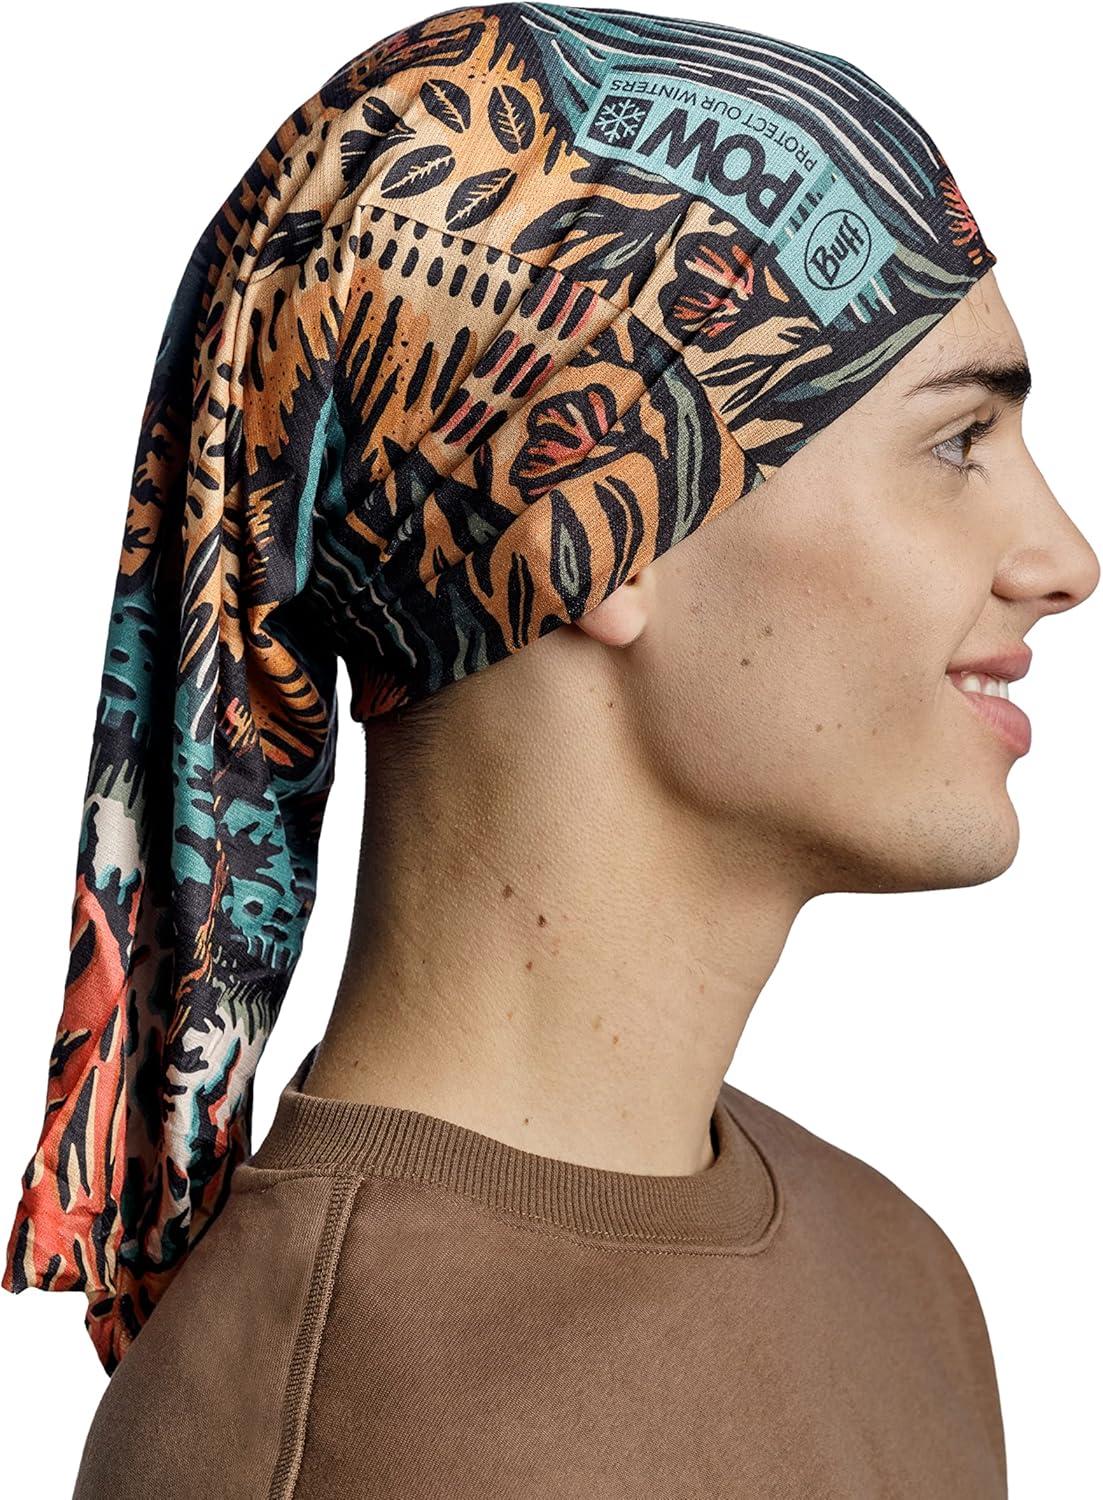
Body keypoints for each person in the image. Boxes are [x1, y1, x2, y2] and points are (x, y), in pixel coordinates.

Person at [4, 3, 1097, 1495]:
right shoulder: (337, 1432)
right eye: (956, 443)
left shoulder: (902, 1280)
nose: (1064, 558)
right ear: (597, 516)